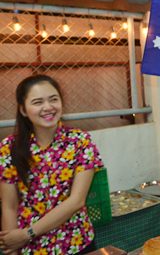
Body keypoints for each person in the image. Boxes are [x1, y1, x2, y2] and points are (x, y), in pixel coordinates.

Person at [0, 75, 104, 254]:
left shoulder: (80, 141)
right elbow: (9, 205)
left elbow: (76, 201)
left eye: (53, 99)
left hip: (76, 243)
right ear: (23, 110)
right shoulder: (8, 148)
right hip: (31, 249)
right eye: (38, 102)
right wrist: (12, 245)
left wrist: (27, 233)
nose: (48, 107)